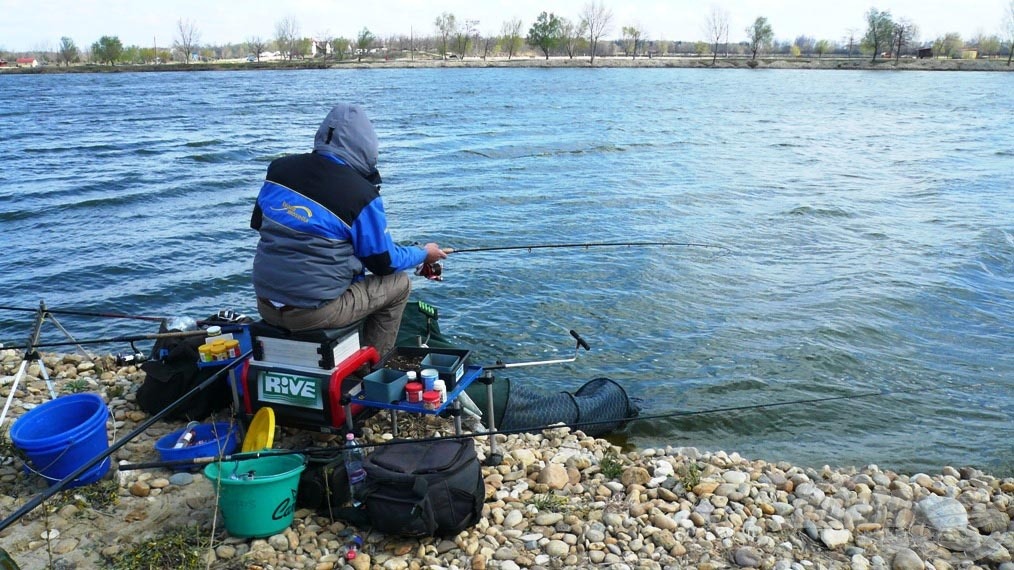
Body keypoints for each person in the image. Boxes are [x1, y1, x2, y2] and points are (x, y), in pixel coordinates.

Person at [250, 103, 446, 357]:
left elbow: (259, 224)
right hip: (315, 313)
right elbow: (384, 263)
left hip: (265, 304)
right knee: (399, 284)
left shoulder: (279, 169)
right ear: (366, 147)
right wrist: (423, 253)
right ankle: (374, 366)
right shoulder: (361, 194)